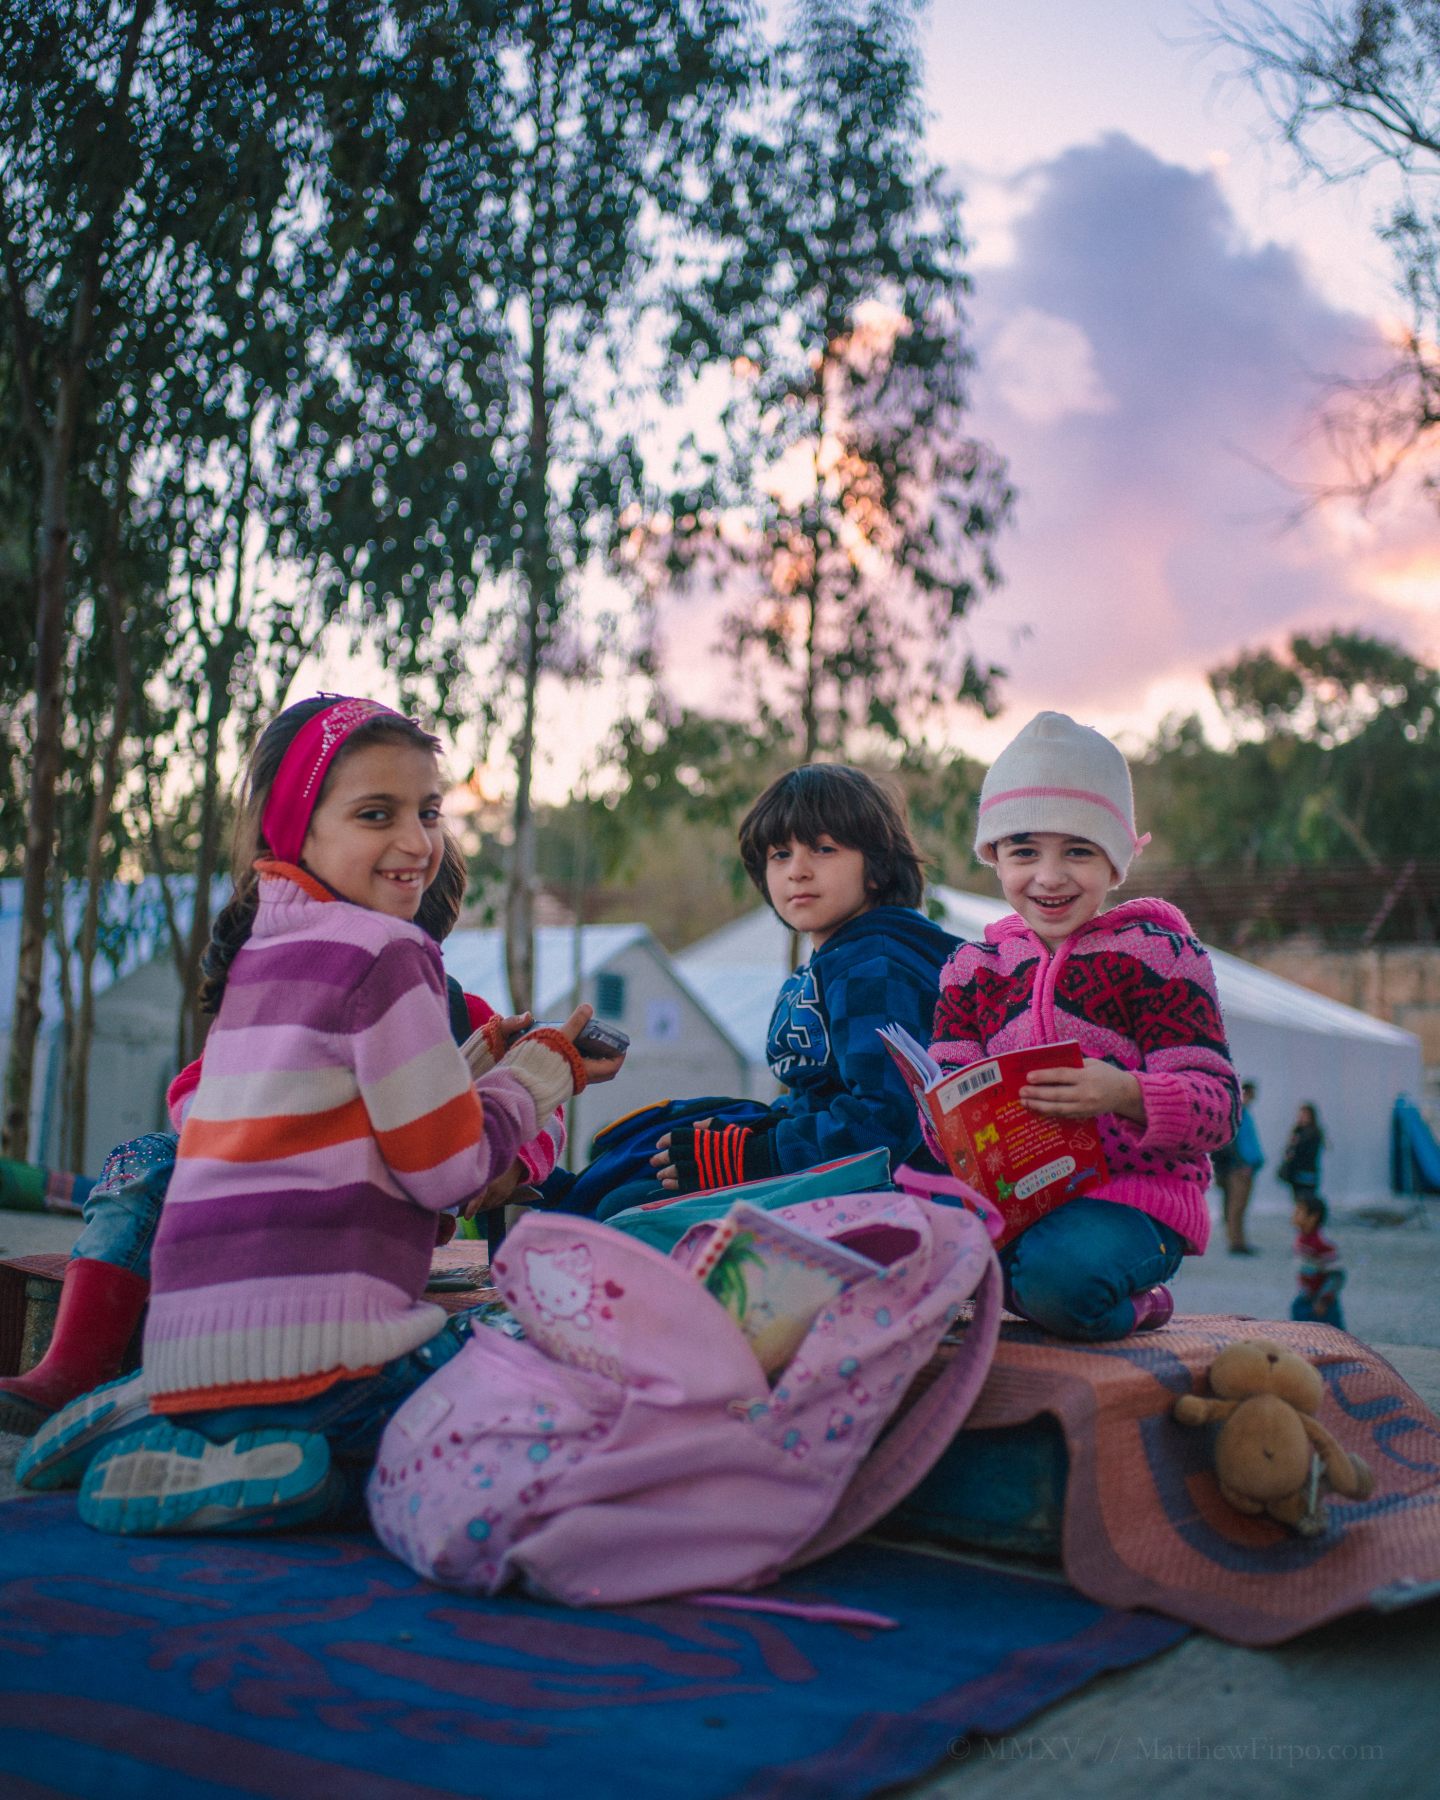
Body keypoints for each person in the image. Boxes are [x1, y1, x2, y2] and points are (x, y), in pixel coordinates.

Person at [46, 695, 620, 1537]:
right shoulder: (388, 953)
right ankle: (284, 1468)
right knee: (514, 1393)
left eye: (428, 812)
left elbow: (340, 1129)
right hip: (331, 1366)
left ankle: (158, 1417)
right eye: (375, 815)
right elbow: (447, 1172)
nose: (417, 843)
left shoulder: (262, 958)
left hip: (189, 1361)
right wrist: (542, 1076)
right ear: (299, 832)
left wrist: (472, 1069)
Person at [0, 836, 564, 1443]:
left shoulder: (466, 1017)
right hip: (244, 1204)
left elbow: (543, 1117)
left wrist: (505, 1166)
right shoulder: (287, 997)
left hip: (363, 1231)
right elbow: (193, 1088)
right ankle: (71, 1369)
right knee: (145, 1161)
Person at [928, 711, 1239, 1341]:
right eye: (1023, 851)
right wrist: (954, 1121)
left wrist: (1123, 1093)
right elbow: (943, 1105)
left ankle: (1139, 1303)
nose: (1048, 876)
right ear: (993, 856)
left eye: (1077, 850)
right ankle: (1017, 1278)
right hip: (1009, 1202)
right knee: (906, 1251)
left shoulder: (1161, 957)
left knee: (1060, 1278)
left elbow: (1221, 1110)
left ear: (1116, 860)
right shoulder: (970, 969)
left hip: (1135, 1201)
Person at [580, 763, 957, 1218]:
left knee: (628, 1214)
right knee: (636, 1173)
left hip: (887, 1200)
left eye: (823, 848)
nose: (797, 870)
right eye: (780, 855)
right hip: (831, 1180)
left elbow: (884, 1121)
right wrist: (738, 1134)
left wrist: (751, 1156)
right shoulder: (837, 960)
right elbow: (815, 1100)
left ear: (876, 868)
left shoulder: (875, 968)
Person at [1215, 1078, 1265, 1256]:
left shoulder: (1243, 1113)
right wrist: (1241, 1163)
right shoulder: (1235, 1114)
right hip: (1239, 1169)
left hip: (1244, 1167)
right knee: (1236, 1206)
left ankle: (1239, 1241)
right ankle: (1235, 1242)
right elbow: (1231, 1142)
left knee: (1239, 1206)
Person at [1290, 1194, 1347, 1331]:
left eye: (1299, 1212)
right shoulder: (1302, 1239)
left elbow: (1337, 1275)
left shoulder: (1322, 1244)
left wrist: (1324, 1299)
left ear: (1313, 1217)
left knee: (1331, 1333)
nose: (1293, 1215)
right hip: (1306, 1295)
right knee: (1301, 1328)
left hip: (1321, 1300)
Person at [1278, 1102, 1325, 1204]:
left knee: (1306, 1202)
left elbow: (1306, 1153)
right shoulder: (1298, 1131)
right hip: (1298, 1173)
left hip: (1306, 1173)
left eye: (1304, 1115)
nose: (1302, 1118)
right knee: (1299, 1201)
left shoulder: (1313, 1133)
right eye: (1301, 1115)